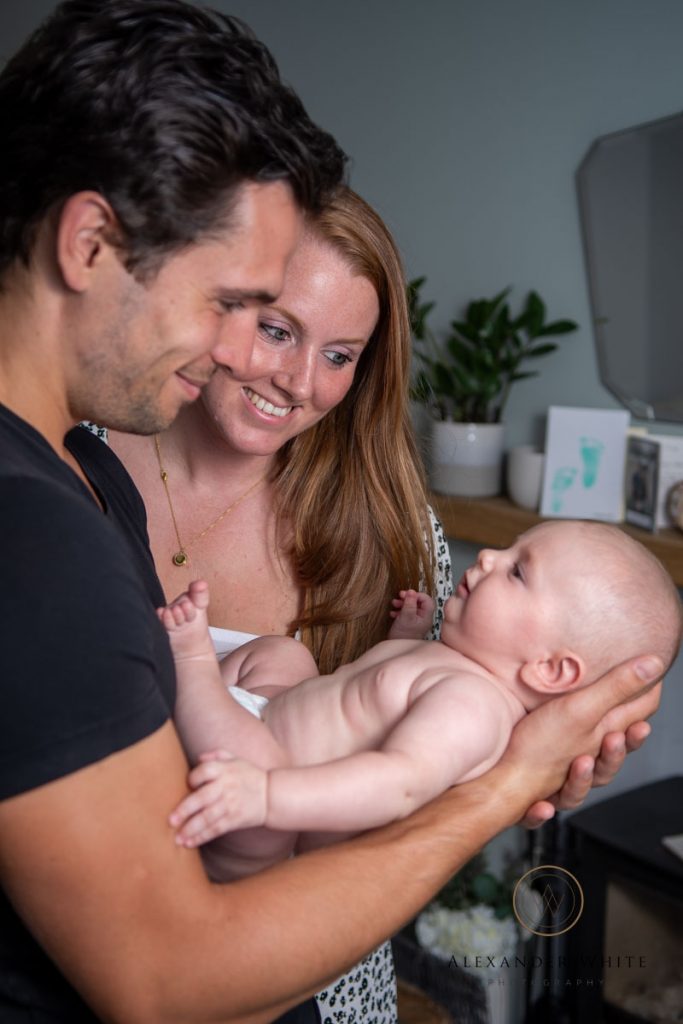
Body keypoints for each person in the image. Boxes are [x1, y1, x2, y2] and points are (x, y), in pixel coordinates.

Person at [0, 2, 660, 1024]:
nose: (278, 371)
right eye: (244, 309)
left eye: (340, 353)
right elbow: (168, 971)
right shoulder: (62, 500)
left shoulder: (101, 481)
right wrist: (496, 777)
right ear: (89, 244)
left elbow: (427, 760)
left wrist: (524, 754)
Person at [158, 521, 681, 873]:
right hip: (269, 717)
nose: (492, 556)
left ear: (551, 669)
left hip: (269, 813)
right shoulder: (451, 666)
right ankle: (207, 705)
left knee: (239, 723)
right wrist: (403, 640)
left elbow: (400, 783)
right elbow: (375, 697)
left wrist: (268, 795)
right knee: (285, 657)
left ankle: (186, 668)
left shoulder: (473, 709)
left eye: (518, 570)